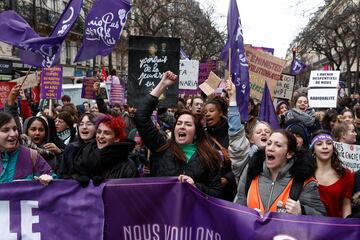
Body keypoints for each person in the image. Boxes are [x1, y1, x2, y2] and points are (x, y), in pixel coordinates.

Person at [134, 71, 222, 198]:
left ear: (196, 132)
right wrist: (162, 85)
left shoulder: (209, 157)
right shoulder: (161, 147)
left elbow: (217, 193)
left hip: (192, 214)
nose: (182, 126)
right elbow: (141, 117)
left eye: (188, 124)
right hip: (162, 213)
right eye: (179, 123)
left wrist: (196, 187)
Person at [235, 129, 326, 216]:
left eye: (278, 145)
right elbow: (238, 207)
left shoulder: (303, 179)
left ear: (289, 154)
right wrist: (247, 215)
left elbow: (320, 217)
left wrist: (302, 211)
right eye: (269, 143)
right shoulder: (251, 170)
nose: (270, 148)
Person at [66, 114, 138, 187]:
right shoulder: (84, 153)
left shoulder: (128, 167)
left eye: (107, 133)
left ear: (117, 138)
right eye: (99, 132)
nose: (100, 136)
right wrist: (75, 179)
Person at [226, 80, 272, 183]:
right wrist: (233, 98)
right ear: (251, 139)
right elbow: (236, 131)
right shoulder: (243, 157)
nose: (263, 133)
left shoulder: (281, 159)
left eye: (267, 131)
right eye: (259, 132)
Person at [0, 112, 53, 185]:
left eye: (15, 129)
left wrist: (48, 179)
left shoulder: (32, 156)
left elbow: (54, 183)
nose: (13, 134)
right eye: (6, 130)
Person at [311, 130, 354, 217]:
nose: (325, 147)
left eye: (329, 143)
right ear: (313, 150)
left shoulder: (346, 175)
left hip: (335, 228)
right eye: (319, 144)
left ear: (333, 148)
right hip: (312, 228)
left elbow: (346, 205)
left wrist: (347, 227)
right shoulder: (306, 174)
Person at [204, 96, 236, 201]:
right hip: (208, 189)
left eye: (211, 111)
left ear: (221, 113)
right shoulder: (203, 136)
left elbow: (242, 161)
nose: (207, 114)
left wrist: (227, 178)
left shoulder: (232, 134)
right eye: (205, 112)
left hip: (229, 190)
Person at [59, 113, 97, 179]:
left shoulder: (100, 149)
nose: (84, 127)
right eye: (81, 124)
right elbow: (63, 173)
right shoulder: (71, 148)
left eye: (89, 124)